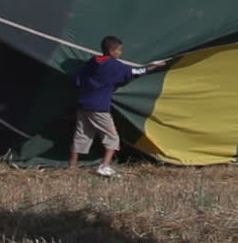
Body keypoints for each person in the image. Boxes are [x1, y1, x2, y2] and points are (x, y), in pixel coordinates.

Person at [69, 35, 166, 177]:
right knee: (112, 138)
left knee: (81, 135)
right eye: (119, 50)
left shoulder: (92, 61)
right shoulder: (114, 65)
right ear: (112, 50)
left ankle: (71, 167)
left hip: (84, 104)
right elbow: (134, 72)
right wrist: (153, 66)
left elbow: (78, 79)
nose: (120, 53)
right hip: (99, 108)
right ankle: (104, 166)